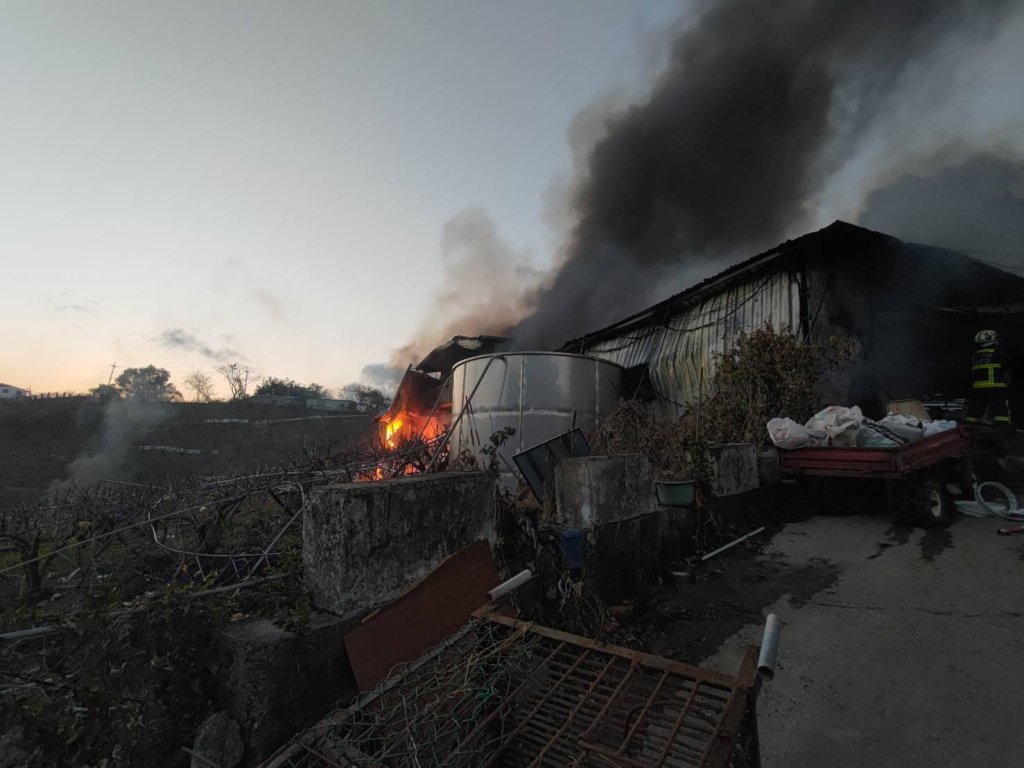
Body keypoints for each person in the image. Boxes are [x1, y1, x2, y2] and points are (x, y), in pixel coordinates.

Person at [965, 329, 1011, 430]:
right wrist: (1008, 384)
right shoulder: (998, 352)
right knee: (1000, 410)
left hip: (978, 388)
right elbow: (1005, 370)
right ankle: (1001, 429)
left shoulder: (975, 355)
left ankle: (966, 428)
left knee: (975, 410)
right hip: (996, 386)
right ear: (992, 340)